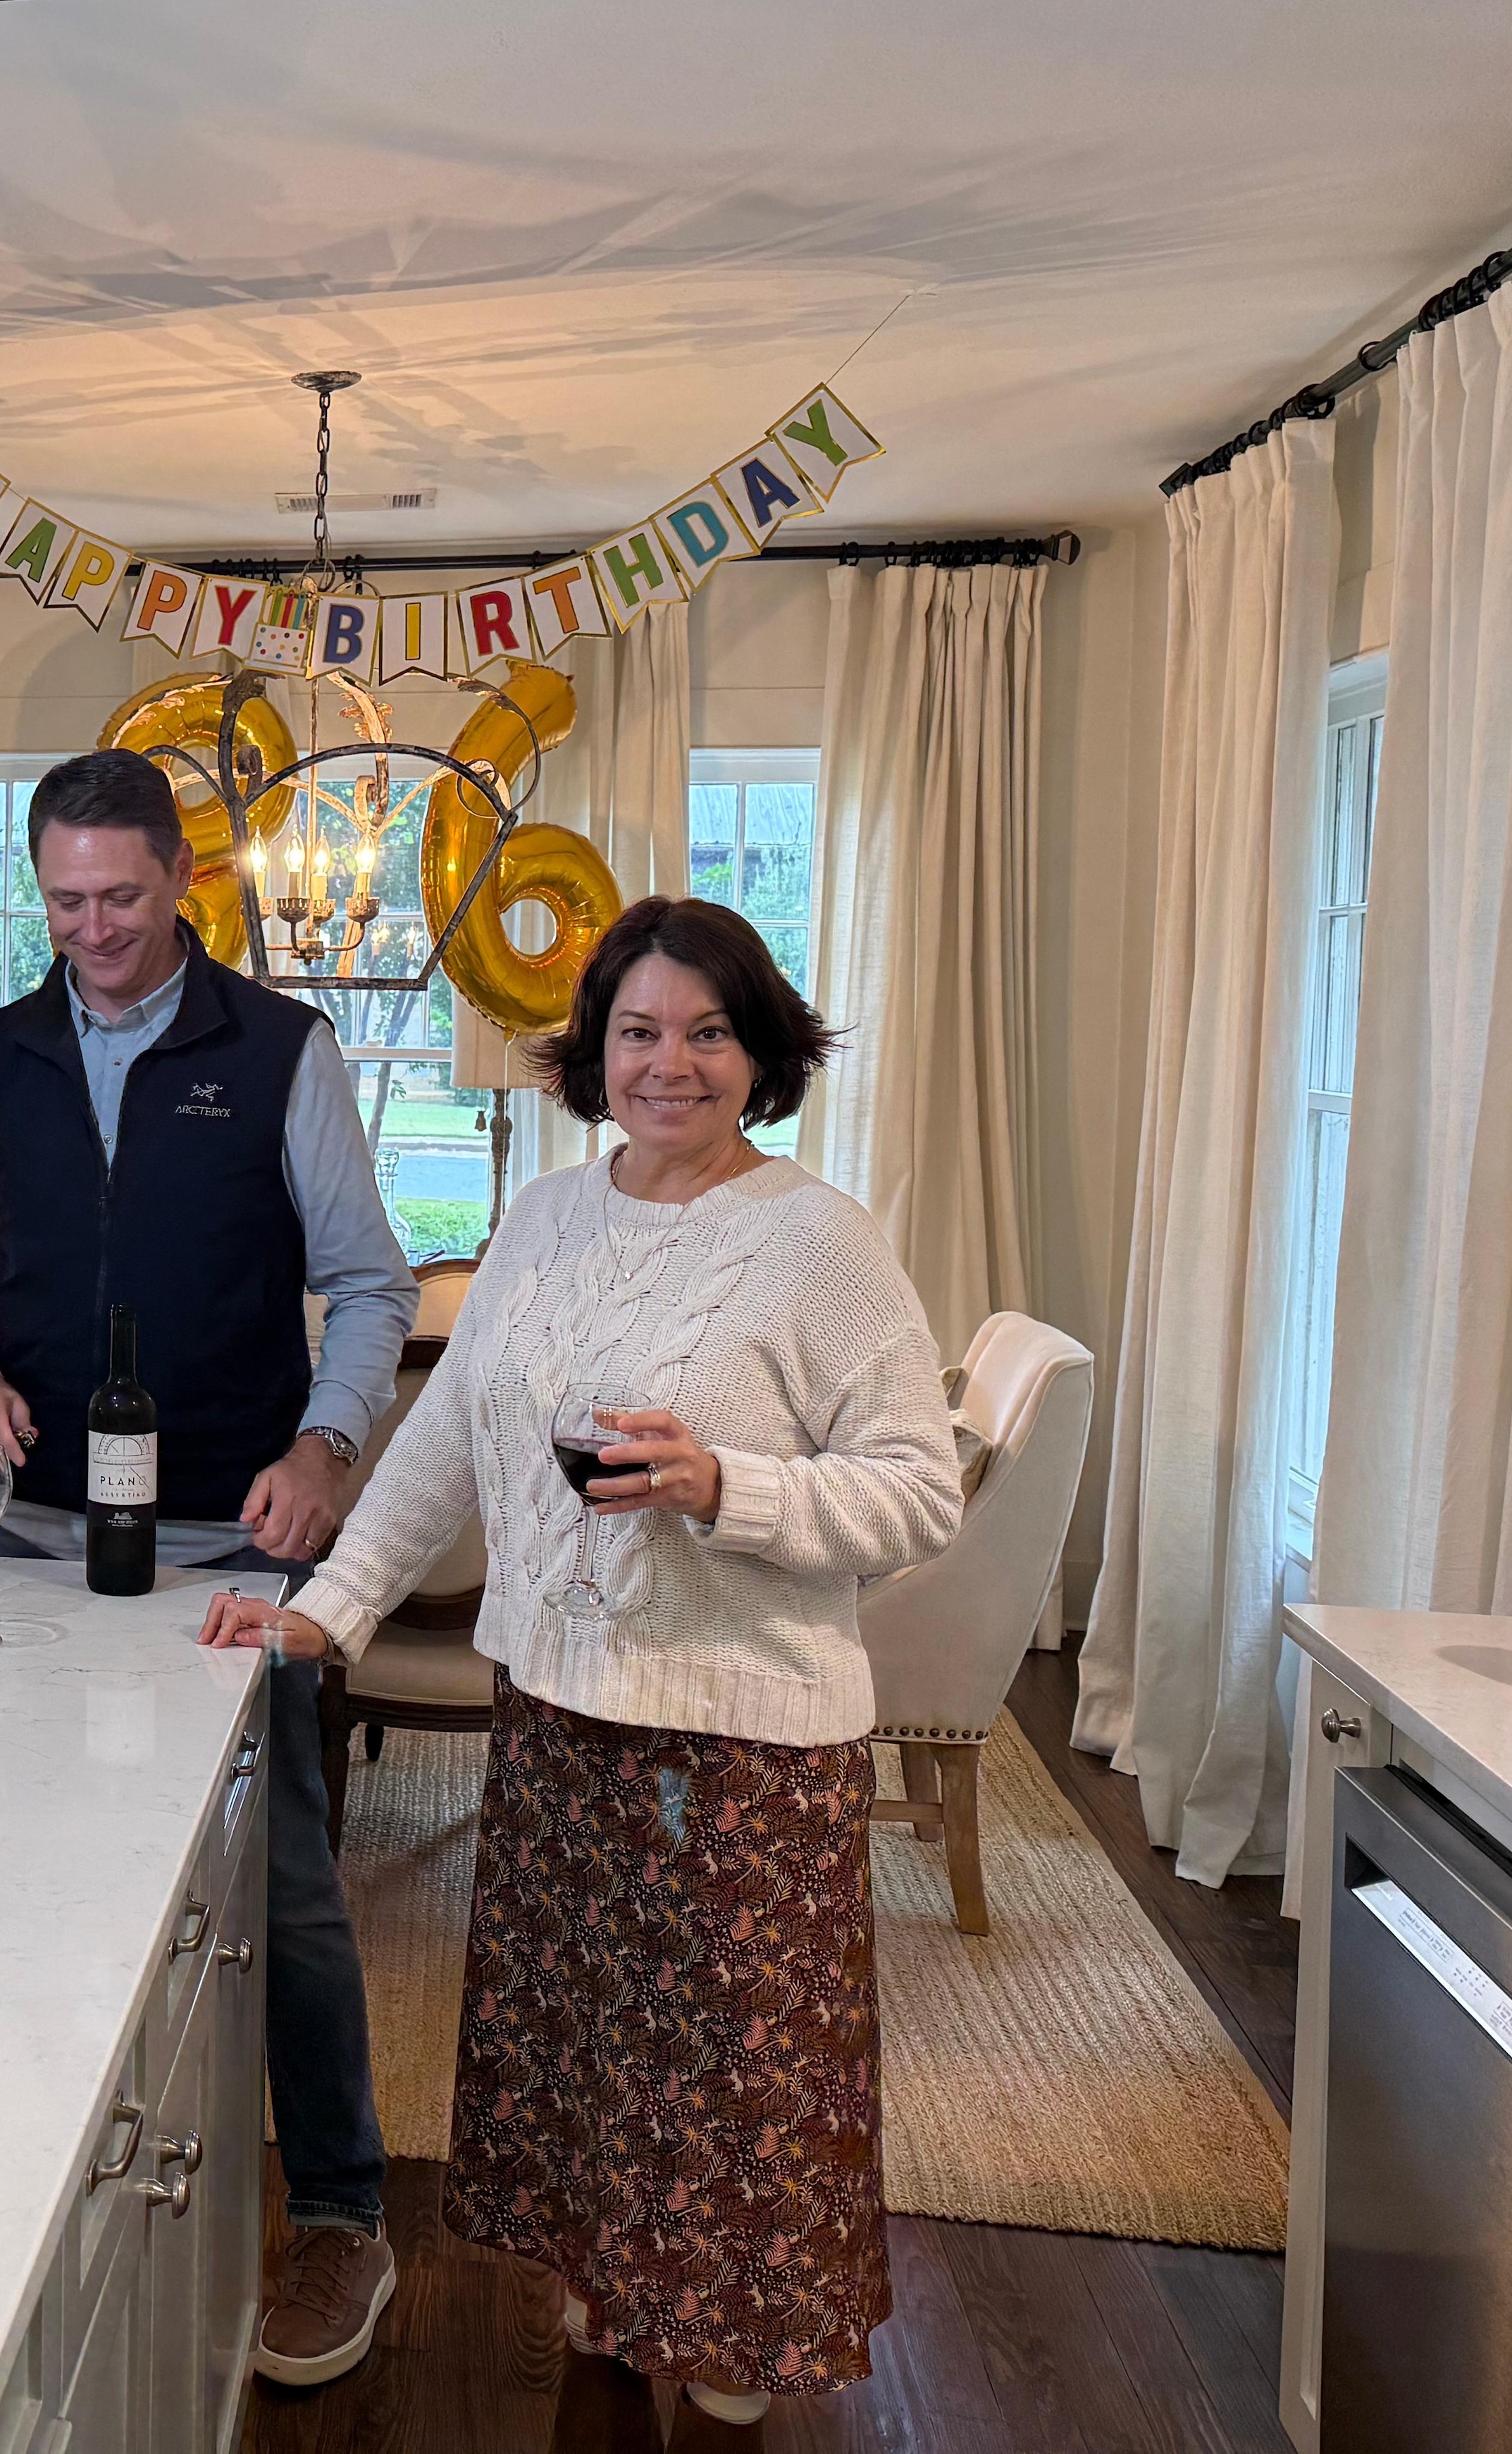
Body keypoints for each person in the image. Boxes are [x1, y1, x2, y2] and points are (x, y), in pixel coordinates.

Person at [201, 896, 961, 2438]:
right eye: (638, 1030)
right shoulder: (544, 1220)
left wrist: (726, 1489)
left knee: (734, 2081)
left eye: (707, 1033)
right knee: (589, 2055)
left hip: (742, 1746)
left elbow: (920, 1491)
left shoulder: (819, 1241)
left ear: (759, 1054)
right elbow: (447, 1441)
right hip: (553, 1719)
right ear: (593, 1051)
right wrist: (330, 1610)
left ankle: (732, 2345)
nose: (669, 1063)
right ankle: (613, 2294)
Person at [0, 746, 420, 2386]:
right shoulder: (0, 1049)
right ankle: (34, 2160)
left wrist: (325, 1449)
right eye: (63, 901)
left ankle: (340, 2213)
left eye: (120, 896)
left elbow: (371, 1283)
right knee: (22, 1865)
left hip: (223, 1554)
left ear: (182, 877)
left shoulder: (278, 1049)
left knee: (280, 1886)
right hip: (35, 1544)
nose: (93, 930)